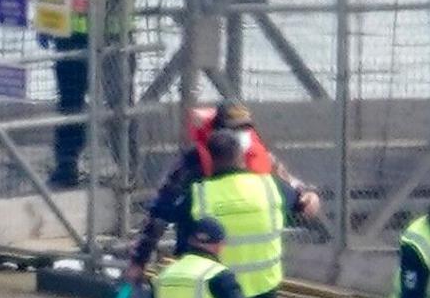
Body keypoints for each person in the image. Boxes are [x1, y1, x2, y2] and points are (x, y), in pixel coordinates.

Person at [126, 100, 321, 281]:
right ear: (216, 132)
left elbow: (289, 184)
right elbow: (161, 212)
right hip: (202, 268)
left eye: (245, 129)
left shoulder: (260, 157)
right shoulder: (193, 164)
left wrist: (306, 194)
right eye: (233, 131)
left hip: (251, 272)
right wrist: (139, 259)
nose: (241, 136)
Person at [173, 129, 311, 298]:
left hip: (216, 294)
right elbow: (304, 205)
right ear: (241, 156)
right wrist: (309, 194)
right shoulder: (270, 187)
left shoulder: (198, 196)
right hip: (263, 292)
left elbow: (183, 252)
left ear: (210, 158)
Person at [38, 0, 139, 188]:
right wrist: (45, 21)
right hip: (86, 33)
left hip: (109, 34)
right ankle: (70, 165)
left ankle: (126, 168)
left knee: (116, 104)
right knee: (81, 102)